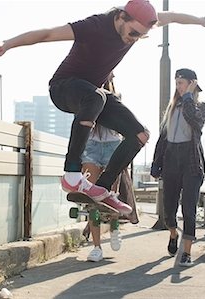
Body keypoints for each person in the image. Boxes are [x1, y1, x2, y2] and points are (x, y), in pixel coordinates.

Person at [0, 0, 205, 216]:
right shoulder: (93, 26)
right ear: (121, 17)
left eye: (141, 36)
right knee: (96, 96)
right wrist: (6, 44)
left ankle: (102, 190)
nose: (134, 39)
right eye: (133, 33)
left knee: (140, 134)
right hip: (63, 89)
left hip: (92, 97)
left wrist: (204, 22)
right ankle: (72, 173)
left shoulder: (137, 27)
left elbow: (174, 16)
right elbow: (46, 34)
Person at [150, 68, 205, 267]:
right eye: (176, 83)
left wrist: (187, 98)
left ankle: (186, 252)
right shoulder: (171, 108)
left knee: (189, 208)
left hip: (191, 161)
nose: (178, 87)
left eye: (182, 83)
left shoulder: (201, 107)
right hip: (171, 160)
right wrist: (156, 164)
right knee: (169, 208)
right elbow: (162, 139)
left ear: (192, 84)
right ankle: (173, 234)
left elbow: (195, 121)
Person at [81, 74, 138, 262]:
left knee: (109, 197)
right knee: (91, 199)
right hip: (91, 146)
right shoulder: (84, 94)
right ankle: (96, 247)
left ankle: (114, 227)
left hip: (113, 145)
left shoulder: (116, 97)